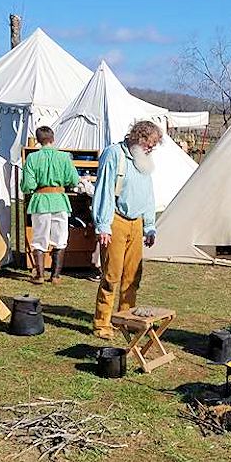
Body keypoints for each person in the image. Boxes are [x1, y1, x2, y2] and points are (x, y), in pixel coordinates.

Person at [92, 120, 162, 339]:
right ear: (138, 138)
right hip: (115, 220)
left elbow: (148, 195)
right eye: (149, 143)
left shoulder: (144, 160)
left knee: (133, 276)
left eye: (154, 145)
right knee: (112, 275)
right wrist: (103, 225)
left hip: (137, 222)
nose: (151, 148)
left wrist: (149, 226)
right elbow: (103, 190)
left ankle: (126, 319)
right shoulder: (114, 154)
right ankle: (102, 322)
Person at [20, 126, 80, 284]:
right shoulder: (64, 157)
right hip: (60, 202)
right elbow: (74, 180)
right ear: (53, 139)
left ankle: (39, 275)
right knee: (60, 239)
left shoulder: (33, 158)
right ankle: (55, 276)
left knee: (40, 238)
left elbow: (27, 185)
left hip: (40, 202)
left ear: (38, 141)